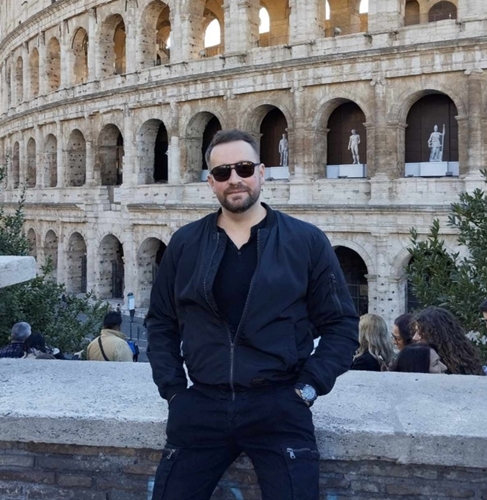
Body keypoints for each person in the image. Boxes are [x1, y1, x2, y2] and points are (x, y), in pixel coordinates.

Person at [146, 129, 359, 500]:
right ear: (211, 182)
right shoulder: (185, 243)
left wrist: (307, 389)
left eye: (243, 168)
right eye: (223, 172)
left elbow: (341, 325)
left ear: (261, 172)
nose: (235, 179)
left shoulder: (305, 240)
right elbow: (161, 322)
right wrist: (175, 393)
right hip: (202, 405)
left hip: (280, 405)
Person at [412, 306, 484, 375]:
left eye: (421, 332)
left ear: (437, 335)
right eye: (416, 331)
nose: (414, 337)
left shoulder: (460, 367)